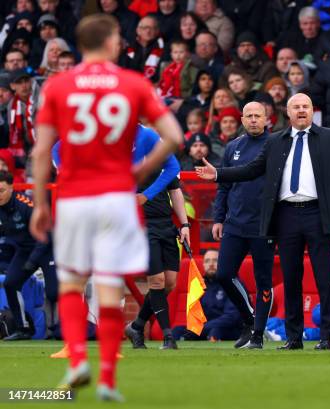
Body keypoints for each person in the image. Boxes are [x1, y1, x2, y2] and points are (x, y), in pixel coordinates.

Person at [30, 14, 182, 401]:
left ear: (79, 46)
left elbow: (43, 149)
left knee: (71, 282)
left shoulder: (60, 86)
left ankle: (78, 359)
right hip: (116, 198)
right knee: (111, 287)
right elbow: (174, 136)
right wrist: (142, 169)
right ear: (113, 43)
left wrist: (41, 204)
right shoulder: (132, 83)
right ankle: (108, 381)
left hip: (77, 197)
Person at [196, 93, 330, 351]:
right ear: (288, 113)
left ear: (313, 111)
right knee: (291, 278)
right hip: (286, 215)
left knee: (324, 277)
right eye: (296, 107)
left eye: (306, 106)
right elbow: (252, 169)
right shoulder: (276, 140)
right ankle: (294, 338)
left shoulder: (329, 136)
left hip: (318, 214)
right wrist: (218, 174)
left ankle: (327, 337)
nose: (301, 110)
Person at [209, 102, 274, 349]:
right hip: (234, 223)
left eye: (258, 115)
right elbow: (224, 185)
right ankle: (249, 320)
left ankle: (257, 334)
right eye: (250, 116)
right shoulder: (233, 147)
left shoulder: (275, 145)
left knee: (263, 281)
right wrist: (218, 218)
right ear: (242, 119)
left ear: (266, 119)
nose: (254, 120)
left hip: (264, 225)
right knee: (224, 274)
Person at [122, 125, 190, 351]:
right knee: (157, 281)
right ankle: (168, 337)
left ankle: (137, 325)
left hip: (165, 224)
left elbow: (175, 192)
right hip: (141, 225)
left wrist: (184, 224)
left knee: (170, 282)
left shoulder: (161, 158)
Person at [0, 170, 57, 341]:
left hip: (46, 249)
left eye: (1, 190)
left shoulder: (26, 205)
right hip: (24, 251)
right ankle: (23, 328)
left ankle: (62, 329)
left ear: (11, 188)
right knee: (10, 284)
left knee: (54, 292)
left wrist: (33, 261)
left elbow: (46, 235)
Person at [172, 249, 243, 341]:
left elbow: (232, 317)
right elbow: (194, 315)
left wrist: (203, 328)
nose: (211, 264)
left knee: (215, 331)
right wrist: (196, 328)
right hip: (203, 328)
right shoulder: (199, 285)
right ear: (203, 265)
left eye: (215, 260)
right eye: (207, 261)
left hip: (228, 328)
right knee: (176, 331)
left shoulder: (233, 283)